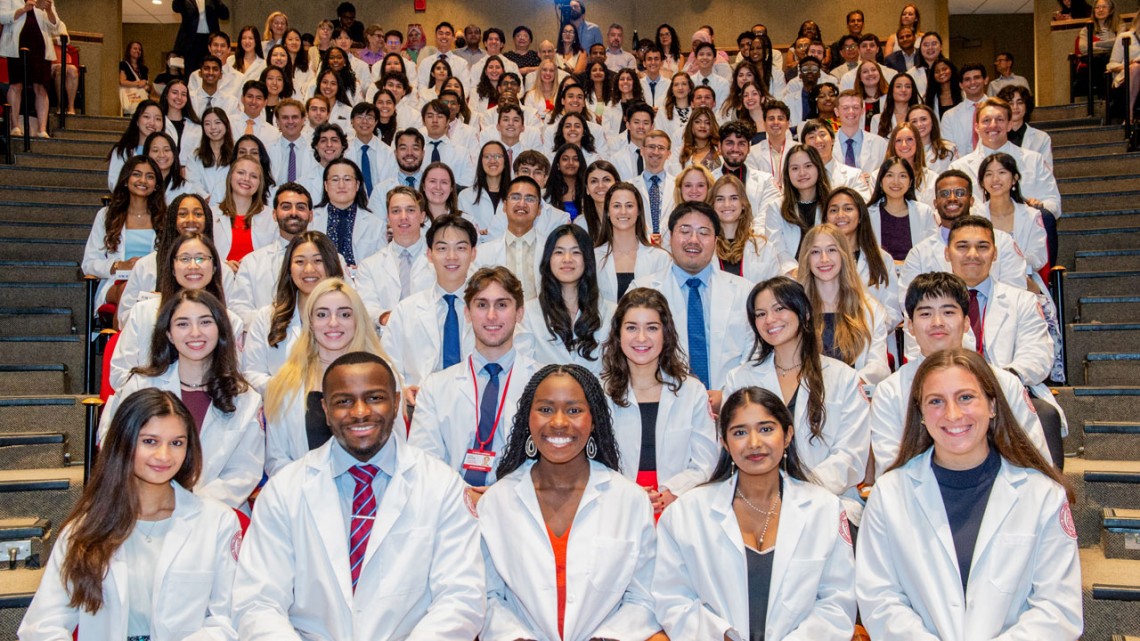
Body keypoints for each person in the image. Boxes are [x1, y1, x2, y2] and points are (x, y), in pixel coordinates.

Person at [235, 351, 484, 638]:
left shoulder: (442, 486)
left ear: (396, 403)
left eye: (375, 398)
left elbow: (461, 595)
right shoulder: (284, 490)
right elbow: (258, 601)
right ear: (326, 411)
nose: (360, 412)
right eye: (344, 401)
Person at [856, 349, 1082, 640]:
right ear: (921, 414)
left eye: (966, 397)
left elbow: (1058, 609)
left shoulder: (1042, 495)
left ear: (992, 405)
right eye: (936, 401)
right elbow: (881, 599)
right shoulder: (889, 494)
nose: (952, 414)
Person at [18, 388, 241, 641]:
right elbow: (42, 626)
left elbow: (227, 620)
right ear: (124, 443)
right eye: (150, 441)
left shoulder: (217, 522)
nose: (164, 456)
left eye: (177, 443)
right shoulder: (85, 528)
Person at [653, 385, 857, 640]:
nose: (754, 443)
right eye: (739, 432)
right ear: (725, 443)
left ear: (788, 435)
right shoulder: (686, 513)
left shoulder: (824, 509)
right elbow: (673, 599)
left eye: (766, 429)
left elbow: (836, 604)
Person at [478, 363, 660, 640]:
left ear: (594, 419)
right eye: (545, 409)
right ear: (528, 418)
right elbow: (488, 595)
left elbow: (644, 595)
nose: (559, 422)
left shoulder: (630, 500)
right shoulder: (496, 502)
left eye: (574, 410)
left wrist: (610, 637)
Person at [870, 272, 1052, 476]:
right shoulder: (890, 391)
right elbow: (891, 470)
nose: (937, 322)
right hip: (919, 500)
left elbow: (1034, 458)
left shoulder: (1004, 383)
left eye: (948, 312)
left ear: (966, 322)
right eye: (925, 314)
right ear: (910, 326)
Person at [723, 277, 870, 523]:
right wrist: (769, 496)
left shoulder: (842, 377)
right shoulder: (740, 379)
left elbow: (850, 456)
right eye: (760, 314)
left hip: (827, 502)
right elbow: (732, 448)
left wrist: (796, 493)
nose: (770, 320)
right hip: (757, 504)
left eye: (779, 308)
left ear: (804, 313)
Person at [99, 289, 263, 508]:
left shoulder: (245, 398)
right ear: (168, 334)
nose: (195, 333)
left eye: (205, 322)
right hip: (142, 508)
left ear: (221, 330)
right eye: (183, 324)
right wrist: (159, 503)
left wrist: (188, 506)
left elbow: (243, 472)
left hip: (215, 515)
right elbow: (118, 450)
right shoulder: (140, 385)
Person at [408, 266, 540, 499]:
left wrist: (501, 496)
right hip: (451, 506)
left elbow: (548, 461)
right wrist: (464, 496)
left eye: (502, 304)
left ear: (519, 313)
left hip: (521, 505)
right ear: (467, 314)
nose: (491, 316)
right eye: (481, 305)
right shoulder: (436, 387)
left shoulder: (542, 383)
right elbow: (424, 461)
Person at [945, 215, 1066, 468]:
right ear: (947, 253)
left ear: (995, 253)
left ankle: (1055, 500)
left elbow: (1039, 356)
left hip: (1012, 390)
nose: (972, 254)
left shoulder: (1022, 301)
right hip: (950, 394)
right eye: (962, 246)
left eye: (982, 246)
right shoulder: (933, 305)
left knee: (1046, 414)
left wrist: (1002, 381)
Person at [600, 286, 718, 510]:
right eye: (631, 327)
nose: (641, 338)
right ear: (618, 334)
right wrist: (629, 492)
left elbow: (706, 462)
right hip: (616, 505)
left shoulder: (691, 392)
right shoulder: (600, 392)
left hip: (680, 503)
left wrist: (672, 492)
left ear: (666, 333)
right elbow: (594, 462)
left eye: (652, 328)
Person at [632, 200, 753, 395]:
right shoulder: (642, 290)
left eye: (704, 232)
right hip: (666, 400)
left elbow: (754, 354)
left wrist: (728, 395)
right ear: (670, 237)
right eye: (685, 231)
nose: (693, 240)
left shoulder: (744, 291)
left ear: (716, 240)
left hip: (731, 404)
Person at [110, 232, 243, 390]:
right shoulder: (143, 312)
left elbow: (233, 378)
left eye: (201, 258)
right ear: (173, 268)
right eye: (185, 259)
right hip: (149, 405)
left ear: (214, 267)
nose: (193, 266)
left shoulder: (231, 321)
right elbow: (119, 373)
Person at [383, 215, 479, 408]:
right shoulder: (406, 310)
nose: (451, 256)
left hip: (476, 403)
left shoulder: (488, 309)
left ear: (473, 253)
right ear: (429, 254)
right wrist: (404, 388)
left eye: (460, 248)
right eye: (442, 248)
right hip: (420, 405)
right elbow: (387, 363)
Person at [899, 170, 1030, 305]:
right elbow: (910, 303)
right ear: (935, 203)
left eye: (960, 193)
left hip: (997, 319)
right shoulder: (919, 253)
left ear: (972, 200)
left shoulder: (1003, 241)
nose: (952, 198)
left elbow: (1015, 291)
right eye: (944, 194)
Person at [798, 224, 892, 386]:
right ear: (806, 258)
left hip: (853, 396)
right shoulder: (795, 308)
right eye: (815, 252)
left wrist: (848, 386)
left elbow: (879, 366)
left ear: (844, 255)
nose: (824, 259)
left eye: (832, 250)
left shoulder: (870, 309)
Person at [517, 224, 615, 375]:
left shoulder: (611, 312)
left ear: (587, 259)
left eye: (576, 252)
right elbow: (522, 368)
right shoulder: (528, 313)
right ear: (548, 259)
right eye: (559, 252)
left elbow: (614, 371)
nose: (567, 259)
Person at [83, 156, 165, 314]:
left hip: (154, 283)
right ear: (126, 180)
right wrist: (119, 265)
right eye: (137, 174)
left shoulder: (165, 217)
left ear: (156, 185)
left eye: (150, 176)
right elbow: (89, 263)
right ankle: (122, 339)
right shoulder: (106, 215)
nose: (143, 180)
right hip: (116, 283)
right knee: (127, 291)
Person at [823, 187, 903, 327]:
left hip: (873, 340)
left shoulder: (882, 259)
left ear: (860, 216)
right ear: (825, 219)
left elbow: (893, 311)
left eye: (848, 209)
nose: (840, 215)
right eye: (833, 210)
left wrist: (866, 332)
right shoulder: (817, 260)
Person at [593, 182, 673, 302]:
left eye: (629, 206)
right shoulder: (594, 257)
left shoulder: (660, 258)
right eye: (616, 206)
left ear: (639, 211)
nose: (623, 211)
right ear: (608, 212)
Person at [709, 173, 791, 281]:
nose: (727, 204)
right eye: (720, 199)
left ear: (743, 204)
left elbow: (774, 290)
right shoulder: (704, 245)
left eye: (734, 198)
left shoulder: (763, 247)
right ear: (712, 205)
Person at [978, 152, 1049, 274]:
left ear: (1014, 179)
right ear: (982, 182)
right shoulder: (974, 216)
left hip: (1024, 278)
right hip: (983, 279)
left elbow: (1039, 257)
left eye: (1002, 172)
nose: (995, 179)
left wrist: (1008, 266)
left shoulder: (1031, 215)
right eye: (989, 174)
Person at [311, 158, 386, 267]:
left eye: (347, 179)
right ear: (326, 185)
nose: (341, 185)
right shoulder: (311, 220)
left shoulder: (376, 225)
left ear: (357, 185)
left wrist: (361, 271)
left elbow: (382, 265)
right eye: (335, 179)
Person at [2, 0, 61, 137]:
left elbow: (55, 26)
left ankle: (42, 129)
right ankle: (15, 126)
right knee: (16, 84)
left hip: (40, 47)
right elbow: (2, 17)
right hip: (18, 45)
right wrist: (24, 9)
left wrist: (49, 10)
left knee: (40, 87)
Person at [762, 143, 831, 259]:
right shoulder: (775, 207)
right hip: (790, 274)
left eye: (808, 166)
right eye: (795, 168)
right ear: (787, 174)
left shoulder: (832, 205)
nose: (802, 173)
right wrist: (795, 272)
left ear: (818, 168)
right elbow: (776, 249)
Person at [867, 156, 940, 262]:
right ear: (880, 182)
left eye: (902, 176)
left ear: (910, 182)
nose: (896, 182)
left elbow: (933, 250)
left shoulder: (924, 212)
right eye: (889, 175)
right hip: (879, 274)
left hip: (917, 274)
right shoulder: (867, 213)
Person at [107, 100, 165, 191]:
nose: (152, 123)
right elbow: (114, 183)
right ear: (137, 121)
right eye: (146, 117)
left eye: (158, 119)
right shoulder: (123, 151)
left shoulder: (167, 153)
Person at [834, 90, 887, 175]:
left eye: (855, 107)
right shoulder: (827, 144)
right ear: (836, 112)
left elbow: (885, 175)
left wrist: (872, 180)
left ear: (863, 110)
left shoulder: (879, 143)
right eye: (845, 108)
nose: (851, 111)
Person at [997, 85, 1054, 167]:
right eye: (1010, 103)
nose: (1015, 107)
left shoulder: (1042, 138)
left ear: (1026, 107)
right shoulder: (994, 135)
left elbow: (1047, 172)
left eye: (1020, 102)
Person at [172, 0, 229, 74]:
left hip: (209, 40)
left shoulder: (211, 1)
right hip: (191, 41)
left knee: (210, 68)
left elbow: (225, 15)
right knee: (190, 72)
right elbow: (175, 7)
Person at [907, 103, 958, 173]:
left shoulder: (948, 148)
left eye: (923, 119)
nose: (919, 124)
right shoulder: (903, 149)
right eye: (914, 121)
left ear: (932, 122)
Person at [118, 40, 152, 117]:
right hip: (129, 98)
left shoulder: (144, 68)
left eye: (139, 49)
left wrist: (146, 86)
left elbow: (147, 85)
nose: (137, 51)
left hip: (141, 99)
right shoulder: (123, 64)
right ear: (129, 50)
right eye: (135, 48)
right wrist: (138, 84)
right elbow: (122, 81)